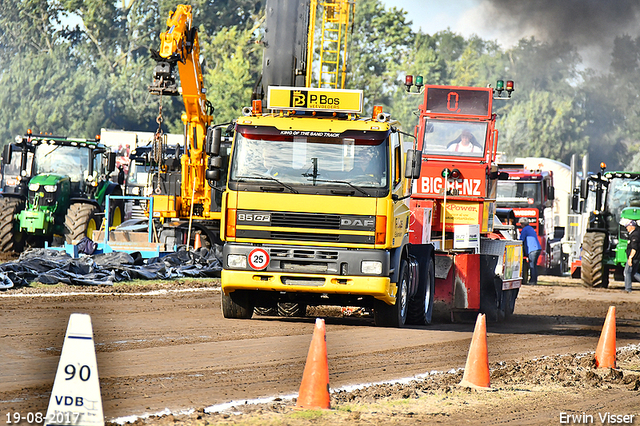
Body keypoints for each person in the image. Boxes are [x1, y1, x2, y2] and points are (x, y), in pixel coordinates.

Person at [519, 217, 542, 285]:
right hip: (537, 248)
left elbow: (521, 240)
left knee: (532, 265)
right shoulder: (530, 228)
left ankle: (532, 281)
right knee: (534, 265)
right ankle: (534, 280)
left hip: (532, 250)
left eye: (521, 224)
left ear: (523, 224)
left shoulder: (524, 230)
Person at [623, 219, 640, 293]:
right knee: (633, 273)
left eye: (628, 226)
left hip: (634, 257)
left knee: (627, 272)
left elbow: (634, 248)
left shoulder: (634, 235)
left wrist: (630, 258)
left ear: (632, 226)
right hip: (636, 257)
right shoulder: (635, 234)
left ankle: (628, 289)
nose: (627, 228)